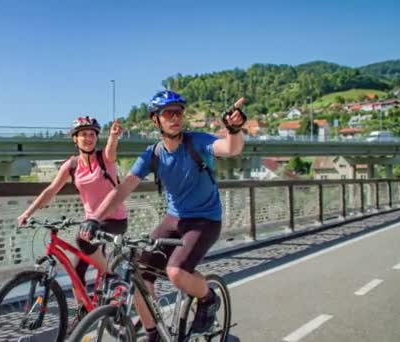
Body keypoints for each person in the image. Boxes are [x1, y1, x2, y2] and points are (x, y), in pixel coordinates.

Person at [80, 90, 246, 341]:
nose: (174, 118)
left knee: (176, 272)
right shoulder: (153, 154)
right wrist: (95, 218)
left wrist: (233, 130)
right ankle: (154, 334)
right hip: (174, 219)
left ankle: (208, 298)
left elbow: (230, 148)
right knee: (139, 276)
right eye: (167, 113)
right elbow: (123, 188)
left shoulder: (197, 142)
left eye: (178, 112)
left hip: (205, 219)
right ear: (155, 120)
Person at [17, 116, 128, 326]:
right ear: (75, 139)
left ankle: (111, 275)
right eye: (83, 134)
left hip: (114, 219)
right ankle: (84, 310)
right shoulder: (72, 165)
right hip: (91, 223)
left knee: (81, 239)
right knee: (77, 271)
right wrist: (28, 212)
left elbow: (112, 149)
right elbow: (51, 190)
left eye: (92, 134)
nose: (88, 138)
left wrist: (113, 136)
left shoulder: (105, 158)